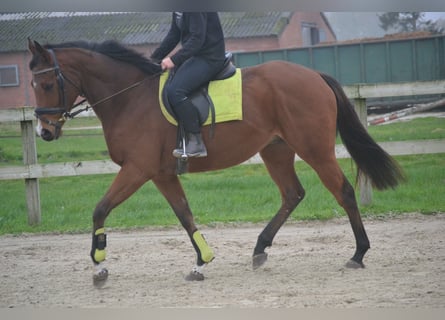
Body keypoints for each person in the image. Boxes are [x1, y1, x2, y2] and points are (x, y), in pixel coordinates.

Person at [151, 12, 226, 158]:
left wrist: (174, 59)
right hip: (195, 56)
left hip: (210, 57)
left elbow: (197, 38)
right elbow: (174, 35)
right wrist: (154, 59)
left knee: (175, 91)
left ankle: (196, 141)